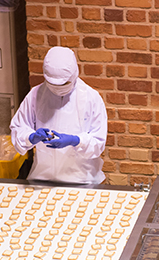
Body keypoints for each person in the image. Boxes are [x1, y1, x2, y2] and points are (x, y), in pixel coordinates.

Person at [10, 46, 107, 184]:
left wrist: (75, 140)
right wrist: (31, 137)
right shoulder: (35, 96)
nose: (57, 89)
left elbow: (98, 143)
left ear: (74, 75)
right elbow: (18, 130)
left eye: (64, 84)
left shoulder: (91, 98)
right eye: (52, 84)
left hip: (83, 179)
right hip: (43, 179)